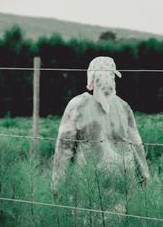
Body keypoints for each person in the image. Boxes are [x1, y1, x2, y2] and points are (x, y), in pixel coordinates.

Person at [52, 56, 150, 196]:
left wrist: (58, 186)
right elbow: (137, 145)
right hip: (123, 181)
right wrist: (144, 178)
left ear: (91, 77)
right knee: (121, 215)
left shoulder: (77, 105)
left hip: (90, 184)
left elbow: (64, 149)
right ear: (113, 76)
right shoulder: (123, 106)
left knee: (89, 217)